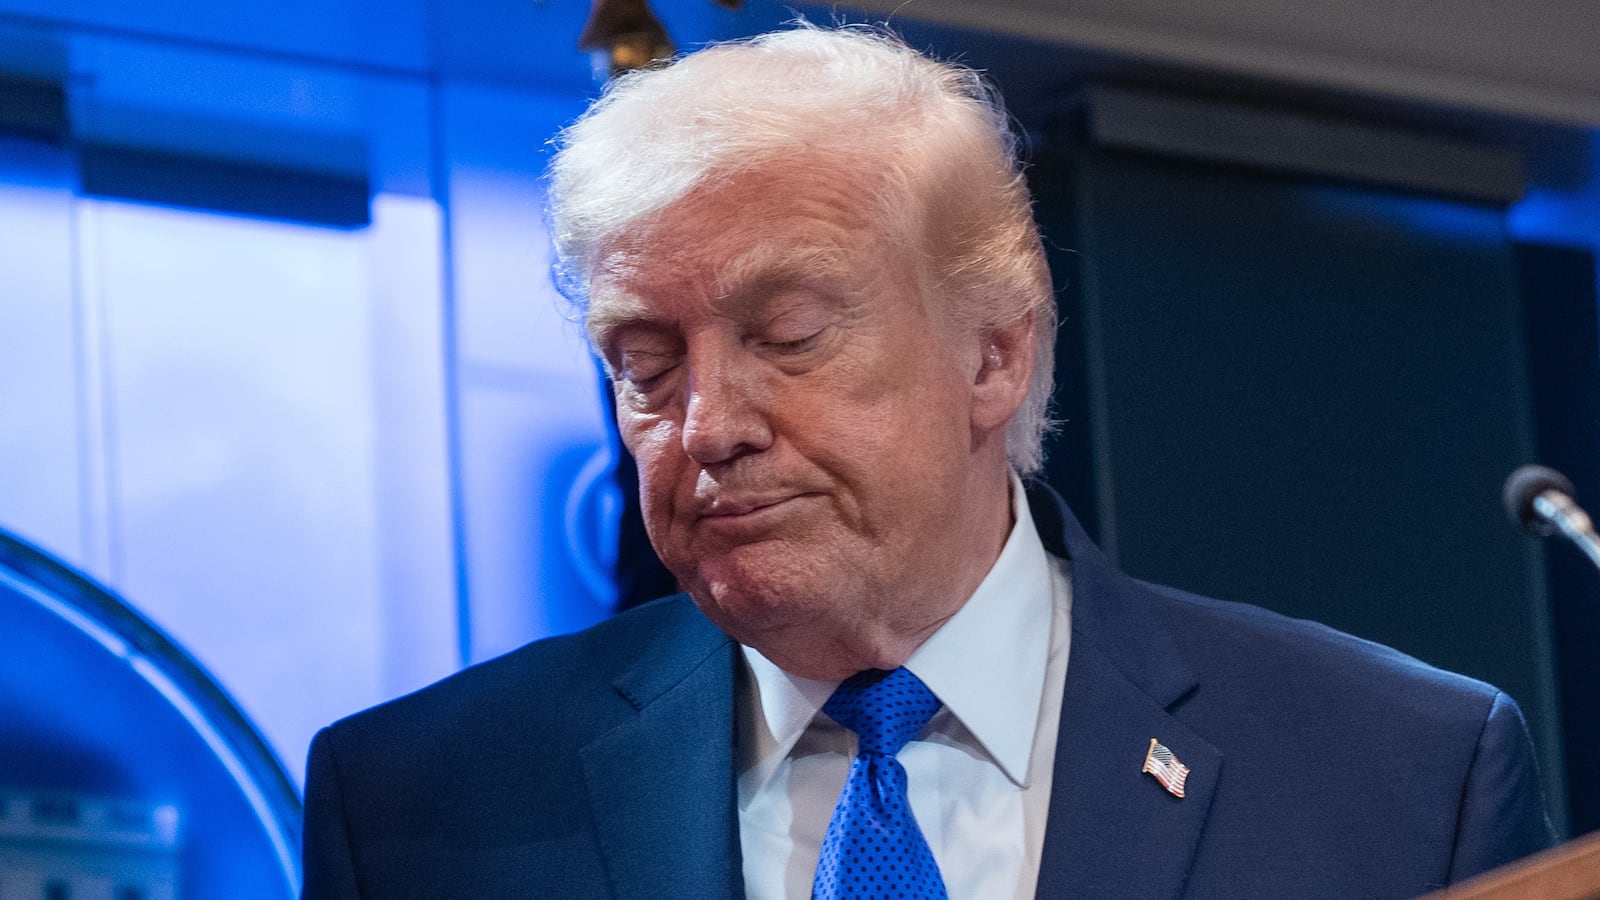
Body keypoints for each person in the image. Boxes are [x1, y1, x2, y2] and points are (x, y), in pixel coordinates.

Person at [301, 24, 1554, 899]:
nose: (705, 425)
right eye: (643, 363)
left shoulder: (1394, 773)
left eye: (786, 337)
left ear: (994, 355)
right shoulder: (423, 802)